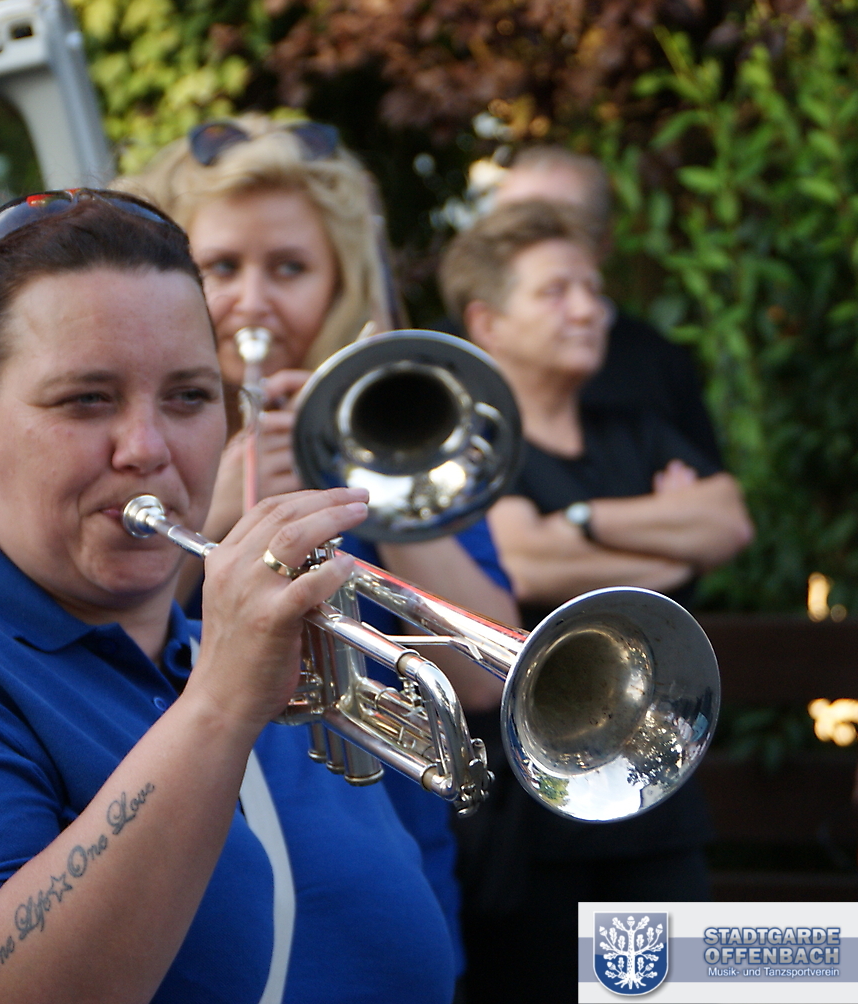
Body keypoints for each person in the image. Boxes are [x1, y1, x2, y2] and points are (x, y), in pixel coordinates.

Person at [0, 190, 458, 1004]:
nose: (146, 449)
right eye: (86, 399)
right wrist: (218, 708)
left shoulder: (243, 663)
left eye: (188, 397)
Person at [119, 115, 521, 978]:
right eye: (222, 267)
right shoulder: (133, 448)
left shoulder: (405, 423)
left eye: (290, 268)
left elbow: (490, 678)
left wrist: (368, 479)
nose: (253, 300)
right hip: (193, 884)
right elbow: (105, 635)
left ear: (340, 281)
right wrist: (216, 510)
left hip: (387, 877)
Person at [439, 199, 754, 1003]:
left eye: (593, 289)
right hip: (528, 823)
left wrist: (577, 521)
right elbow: (523, 563)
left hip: (658, 795)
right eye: (556, 291)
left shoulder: (636, 428)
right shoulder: (467, 453)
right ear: (487, 323)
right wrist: (665, 550)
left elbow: (727, 522)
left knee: (669, 991)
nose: (587, 309)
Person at [490, 146, 723, 466]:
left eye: (556, 225)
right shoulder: (447, 354)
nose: (531, 242)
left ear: (604, 241)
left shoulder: (656, 363)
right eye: (508, 224)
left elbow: (711, 488)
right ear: (483, 326)